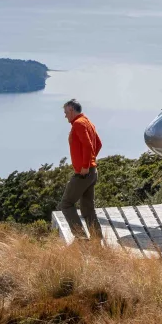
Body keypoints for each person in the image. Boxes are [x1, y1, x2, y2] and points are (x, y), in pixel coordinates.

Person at [58, 99, 104, 242]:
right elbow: (99, 144)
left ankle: (81, 239)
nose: (65, 116)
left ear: (72, 110)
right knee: (87, 209)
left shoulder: (78, 124)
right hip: (92, 172)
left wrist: (85, 166)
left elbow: (88, 146)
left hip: (83, 174)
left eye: (66, 112)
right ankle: (97, 240)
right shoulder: (87, 121)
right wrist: (91, 162)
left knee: (66, 204)